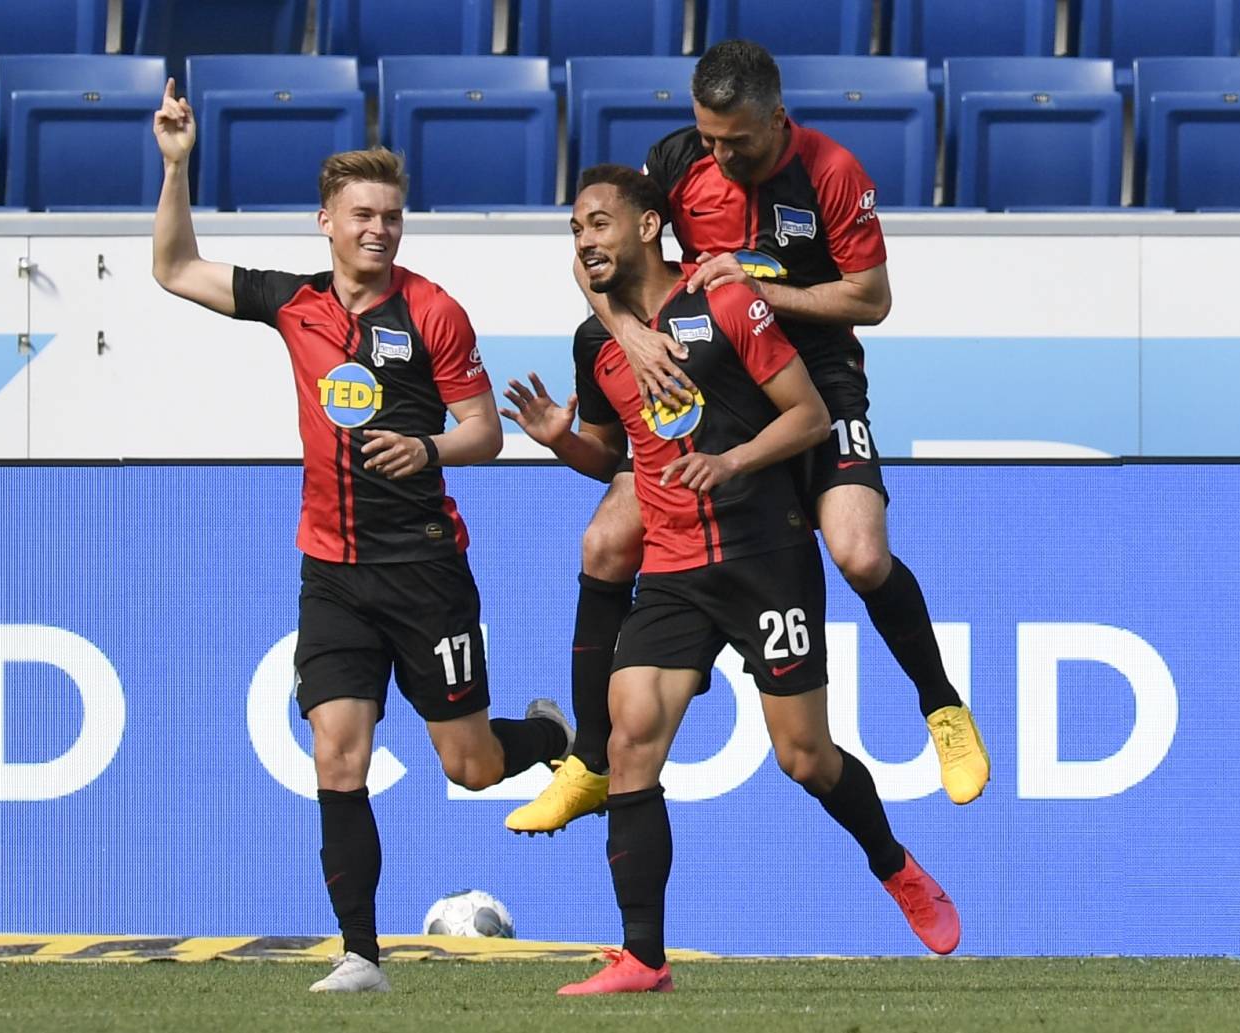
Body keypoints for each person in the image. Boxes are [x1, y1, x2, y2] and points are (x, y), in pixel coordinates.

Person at [150, 79, 572, 993]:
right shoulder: (293, 302)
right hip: (331, 573)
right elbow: (176, 270)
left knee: (470, 767)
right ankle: (361, 955)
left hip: (424, 569)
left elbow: (483, 432)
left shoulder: (433, 313)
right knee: (337, 753)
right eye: (363, 215)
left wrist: (425, 446)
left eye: (392, 215)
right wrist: (177, 167)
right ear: (326, 223)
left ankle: (546, 737)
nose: (379, 229)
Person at [505, 40, 987, 836]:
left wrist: (758, 287)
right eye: (709, 137)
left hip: (816, 380)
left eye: (738, 140)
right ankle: (589, 760)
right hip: (714, 378)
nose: (720, 155)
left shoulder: (832, 173)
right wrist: (624, 332)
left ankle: (943, 707)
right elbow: (598, 245)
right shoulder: (677, 159)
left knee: (862, 554)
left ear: (777, 117)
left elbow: (871, 299)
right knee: (604, 543)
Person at [503, 165, 961, 994]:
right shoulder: (596, 344)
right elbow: (610, 455)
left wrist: (734, 460)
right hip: (674, 568)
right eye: (575, 231)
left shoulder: (727, 302)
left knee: (805, 756)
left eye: (599, 223)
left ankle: (895, 865)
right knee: (632, 733)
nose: (585, 242)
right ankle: (643, 956)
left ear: (649, 226)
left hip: (764, 555)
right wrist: (557, 440)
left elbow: (809, 416)